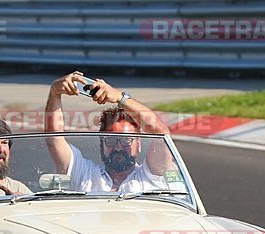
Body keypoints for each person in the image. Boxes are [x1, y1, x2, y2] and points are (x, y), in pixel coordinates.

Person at [45, 72, 176, 193]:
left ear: (139, 144)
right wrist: (55, 93)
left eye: (126, 140)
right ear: (102, 143)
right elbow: (54, 140)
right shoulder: (85, 174)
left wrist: (121, 98)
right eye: (111, 140)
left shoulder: (151, 176)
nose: (118, 147)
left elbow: (161, 133)